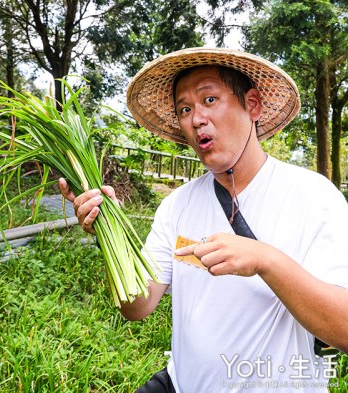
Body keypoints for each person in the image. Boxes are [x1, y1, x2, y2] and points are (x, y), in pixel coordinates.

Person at [60, 47, 348, 392]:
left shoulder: (312, 196)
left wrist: (265, 260)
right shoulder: (177, 204)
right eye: (185, 108)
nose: (196, 119)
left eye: (209, 99)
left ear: (252, 105)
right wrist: (107, 231)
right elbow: (137, 307)